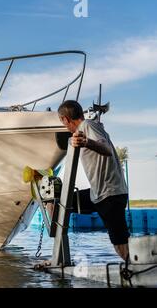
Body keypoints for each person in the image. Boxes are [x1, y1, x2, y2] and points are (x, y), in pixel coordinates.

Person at [58, 100, 130, 261]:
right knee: (60, 202)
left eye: (62, 123)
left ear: (65, 119)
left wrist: (86, 142)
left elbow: (106, 149)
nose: (64, 126)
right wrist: (75, 141)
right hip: (98, 193)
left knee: (120, 244)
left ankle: (138, 270)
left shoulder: (88, 126)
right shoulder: (89, 128)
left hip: (110, 194)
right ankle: (59, 256)